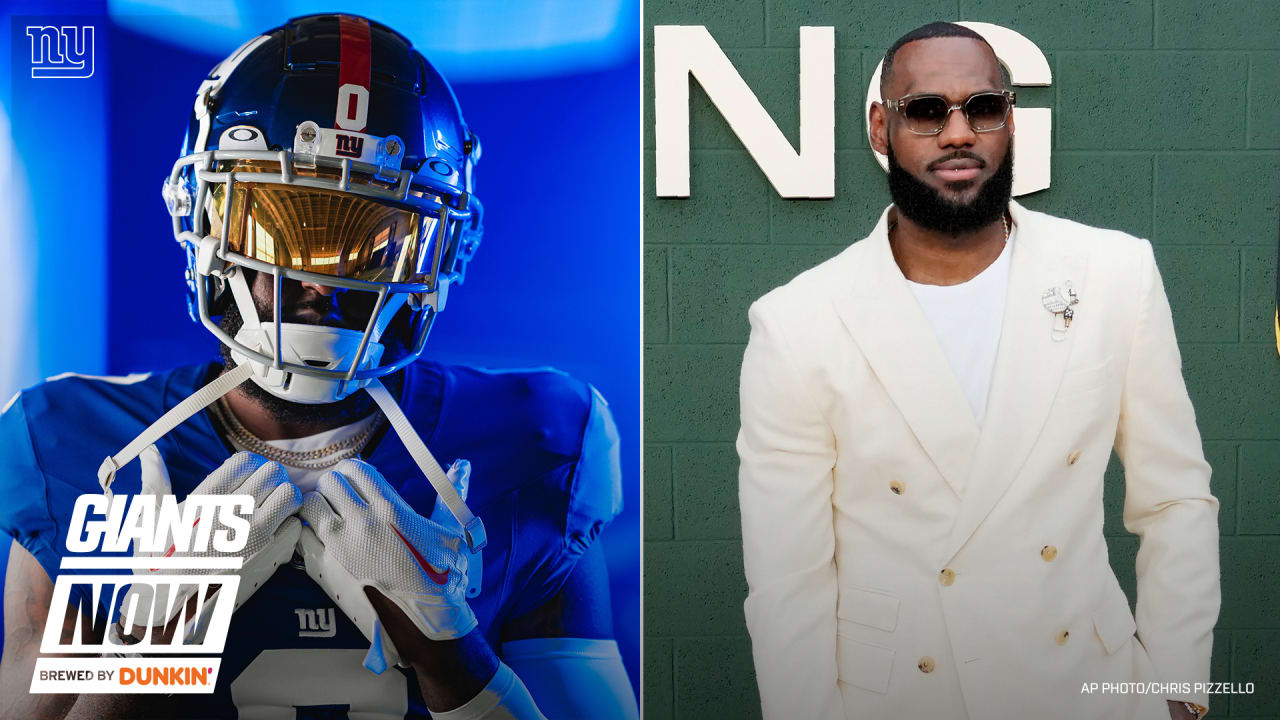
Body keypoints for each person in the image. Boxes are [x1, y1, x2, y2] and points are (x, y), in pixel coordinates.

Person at [0, 13, 637, 720]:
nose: (320, 278)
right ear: (205, 217)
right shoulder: (76, 442)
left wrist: (449, 653)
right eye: (285, 219)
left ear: (441, 250)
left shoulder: (535, 442)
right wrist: (149, 652)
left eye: (371, 234)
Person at [737, 21, 1218, 720]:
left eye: (982, 108)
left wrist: (1175, 692)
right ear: (881, 128)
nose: (958, 133)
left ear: (1009, 120)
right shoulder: (799, 322)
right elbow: (789, 582)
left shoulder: (1114, 273)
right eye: (927, 111)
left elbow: (1175, 498)